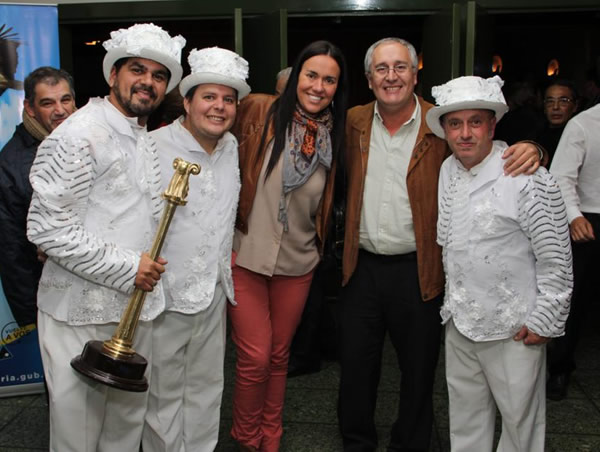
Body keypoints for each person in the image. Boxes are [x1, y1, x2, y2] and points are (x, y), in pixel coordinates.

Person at [337, 37, 544, 452]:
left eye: (400, 67)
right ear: (369, 78)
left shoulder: (440, 122)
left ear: (415, 75)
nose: (391, 76)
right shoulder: (353, 120)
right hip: (361, 266)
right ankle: (357, 443)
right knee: (356, 366)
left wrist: (535, 149)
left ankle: (411, 444)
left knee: (419, 369)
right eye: (381, 69)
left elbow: (486, 149)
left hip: (420, 269)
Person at [26, 23, 185, 452]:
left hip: (134, 312)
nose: (148, 82)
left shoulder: (140, 135)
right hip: (79, 313)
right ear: (113, 74)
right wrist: (131, 267)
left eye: (159, 75)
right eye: (137, 70)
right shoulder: (78, 133)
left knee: (124, 430)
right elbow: (47, 228)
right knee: (77, 435)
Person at [428, 74, 573, 452]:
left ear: (492, 125)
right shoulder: (448, 170)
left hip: (514, 327)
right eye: (455, 124)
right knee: (465, 420)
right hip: (460, 322)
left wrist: (546, 318)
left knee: (520, 426)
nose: (465, 134)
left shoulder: (528, 176)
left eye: (475, 122)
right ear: (445, 130)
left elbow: (556, 255)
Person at [228, 40, 349, 451]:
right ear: (296, 76)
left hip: (298, 263)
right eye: (311, 75)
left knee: (279, 356)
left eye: (329, 80)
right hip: (245, 255)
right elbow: (205, 131)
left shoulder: (337, 135)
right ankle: (247, 439)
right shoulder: (258, 110)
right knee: (255, 358)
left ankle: (271, 437)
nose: (318, 86)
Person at [142, 46, 249, 452]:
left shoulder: (231, 147)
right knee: (162, 395)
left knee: (207, 389)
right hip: (165, 297)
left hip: (213, 294)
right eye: (209, 96)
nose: (219, 107)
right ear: (186, 102)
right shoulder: (153, 147)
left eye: (228, 99)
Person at [0, 66, 75, 327]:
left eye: (65, 99)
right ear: (30, 108)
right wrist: (33, 324)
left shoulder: (89, 139)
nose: (60, 110)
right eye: (48, 103)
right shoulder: (12, 165)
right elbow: (13, 255)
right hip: (50, 305)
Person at [548, 102, 600, 401]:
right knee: (574, 300)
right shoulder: (583, 124)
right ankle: (560, 367)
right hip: (589, 219)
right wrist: (574, 216)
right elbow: (561, 177)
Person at [535, 79, 578, 164]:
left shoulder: (580, 137)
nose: (555, 107)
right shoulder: (535, 136)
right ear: (544, 107)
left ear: (575, 106)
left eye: (563, 101)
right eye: (550, 101)